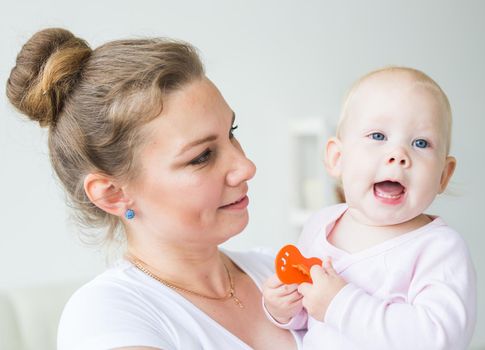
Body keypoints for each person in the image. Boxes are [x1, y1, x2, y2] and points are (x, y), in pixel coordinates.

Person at [6, 28, 301, 350]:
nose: (246, 167)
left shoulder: (279, 269)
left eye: (231, 132)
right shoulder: (105, 318)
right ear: (112, 194)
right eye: (201, 157)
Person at [262, 67, 476, 349]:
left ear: (443, 175)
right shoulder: (319, 226)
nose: (398, 155)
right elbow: (313, 316)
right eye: (378, 136)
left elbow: (438, 338)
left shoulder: (439, 249)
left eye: (420, 143)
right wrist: (284, 309)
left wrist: (340, 303)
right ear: (337, 158)